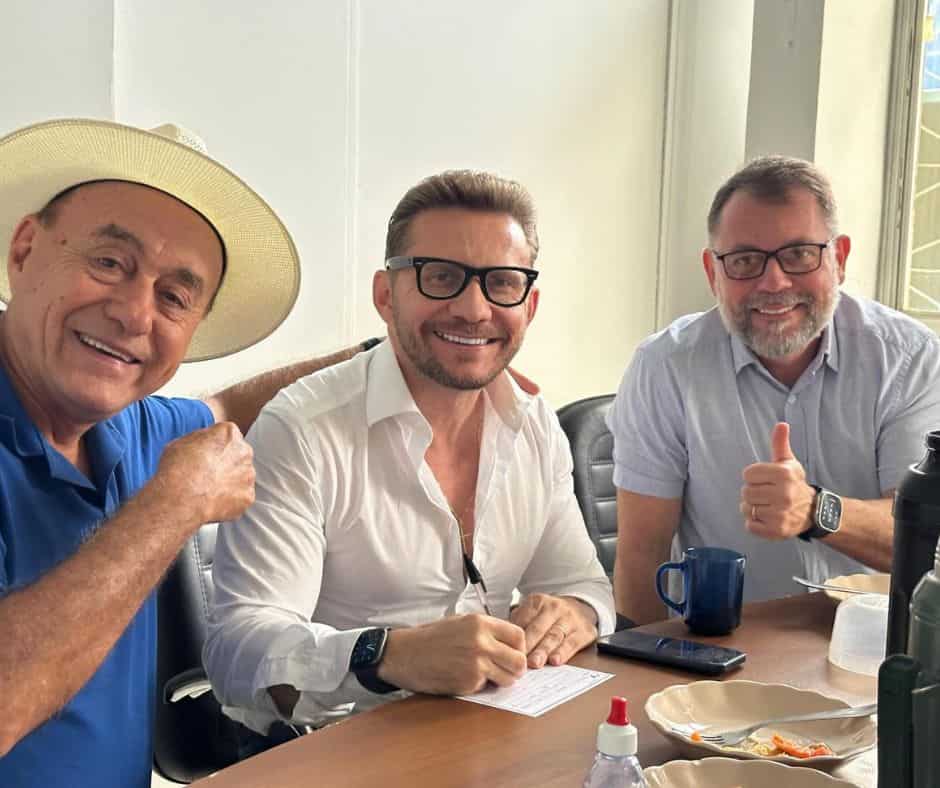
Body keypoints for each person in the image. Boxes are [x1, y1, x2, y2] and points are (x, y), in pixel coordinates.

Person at [0, 118, 372, 786]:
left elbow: (228, 405)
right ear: (24, 251)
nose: (135, 315)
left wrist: (381, 356)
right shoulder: (157, 468)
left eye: (174, 296)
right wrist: (174, 506)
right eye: (109, 263)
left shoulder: (134, 425)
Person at [204, 169, 615, 733]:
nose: (474, 309)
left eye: (501, 283)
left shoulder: (534, 424)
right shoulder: (301, 430)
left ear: (530, 304)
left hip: (495, 737)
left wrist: (573, 613)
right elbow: (236, 652)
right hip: (338, 748)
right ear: (385, 295)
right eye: (441, 276)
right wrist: (386, 655)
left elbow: (585, 586)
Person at [607, 155, 940, 625]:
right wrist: (645, 663)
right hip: (717, 648)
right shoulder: (665, 367)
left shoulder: (910, 359)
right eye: (745, 260)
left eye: (799, 254)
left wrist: (815, 511)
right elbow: (642, 557)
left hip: (870, 645)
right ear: (713, 273)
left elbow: (927, 545)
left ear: (840, 259)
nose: (774, 282)